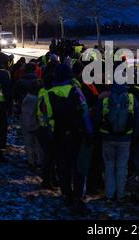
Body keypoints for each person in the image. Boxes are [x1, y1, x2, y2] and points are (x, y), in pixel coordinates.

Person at [38, 63, 93, 213]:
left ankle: (67, 193)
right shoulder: (76, 91)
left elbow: (45, 117)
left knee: (63, 166)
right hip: (76, 134)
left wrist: (49, 133)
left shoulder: (48, 94)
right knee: (78, 166)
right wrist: (89, 131)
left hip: (58, 136)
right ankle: (77, 195)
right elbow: (84, 112)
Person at [96, 83, 139, 203]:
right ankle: (121, 195)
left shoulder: (105, 99)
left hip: (107, 137)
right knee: (122, 166)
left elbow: (97, 117)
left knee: (109, 166)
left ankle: (109, 194)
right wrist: (135, 136)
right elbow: (137, 118)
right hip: (125, 138)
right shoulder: (131, 98)